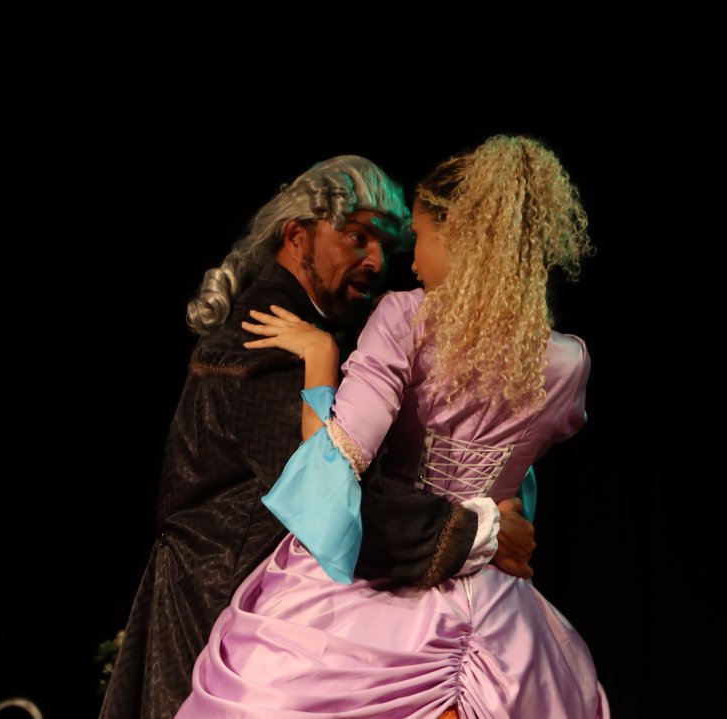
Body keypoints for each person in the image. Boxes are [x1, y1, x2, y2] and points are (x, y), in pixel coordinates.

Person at [178, 135, 608, 718]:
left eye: (420, 237)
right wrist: (496, 511)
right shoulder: (569, 362)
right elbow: (523, 477)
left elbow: (329, 482)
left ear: (458, 239)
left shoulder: (404, 318)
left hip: (375, 605)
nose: (408, 262)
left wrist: (322, 360)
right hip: (500, 617)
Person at [98, 155, 538, 719]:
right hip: (223, 630)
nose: (377, 262)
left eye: (387, 247)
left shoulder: (311, 335)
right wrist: (479, 533)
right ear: (296, 236)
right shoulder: (268, 343)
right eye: (357, 237)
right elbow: (336, 505)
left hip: (261, 622)